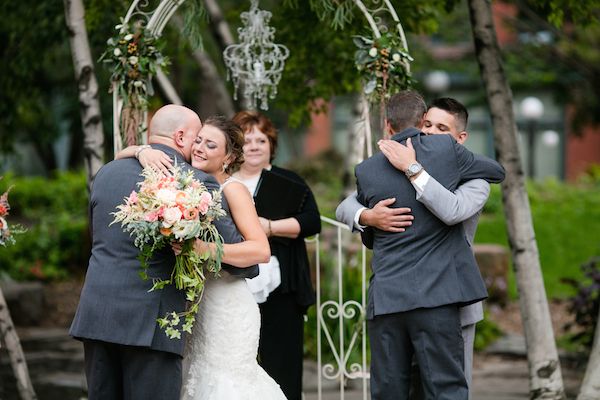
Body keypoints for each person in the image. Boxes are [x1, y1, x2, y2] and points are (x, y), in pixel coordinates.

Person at [69, 105, 259, 400]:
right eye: (197, 138)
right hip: (152, 325)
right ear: (181, 136)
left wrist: (138, 150)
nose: (198, 147)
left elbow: (96, 238)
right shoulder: (195, 181)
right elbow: (242, 264)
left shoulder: (106, 173)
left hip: (97, 313)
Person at [348, 90, 505, 399]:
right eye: (428, 126)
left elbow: (371, 240)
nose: (432, 133)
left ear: (387, 125)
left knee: (390, 391)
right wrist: (365, 216)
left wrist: (414, 168)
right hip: (438, 296)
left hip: (394, 298)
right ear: (421, 123)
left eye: (440, 129)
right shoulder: (446, 152)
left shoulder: (366, 170)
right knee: (444, 389)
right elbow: (497, 170)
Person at [119, 116, 287, 400]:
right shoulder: (187, 184)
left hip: (228, 307)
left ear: (228, 157)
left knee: (226, 383)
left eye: (211, 145)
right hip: (197, 305)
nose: (199, 148)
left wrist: (205, 250)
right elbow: (119, 155)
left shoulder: (232, 189)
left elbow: (260, 250)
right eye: (198, 140)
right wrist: (141, 151)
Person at [232, 110, 321, 400]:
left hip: (281, 288)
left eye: (261, 139)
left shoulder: (288, 181)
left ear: (271, 144)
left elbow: (311, 222)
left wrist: (269, 228)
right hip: (232, 285)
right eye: (247, 140)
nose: (255, 145)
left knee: (282, 364)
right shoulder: (223, 181)